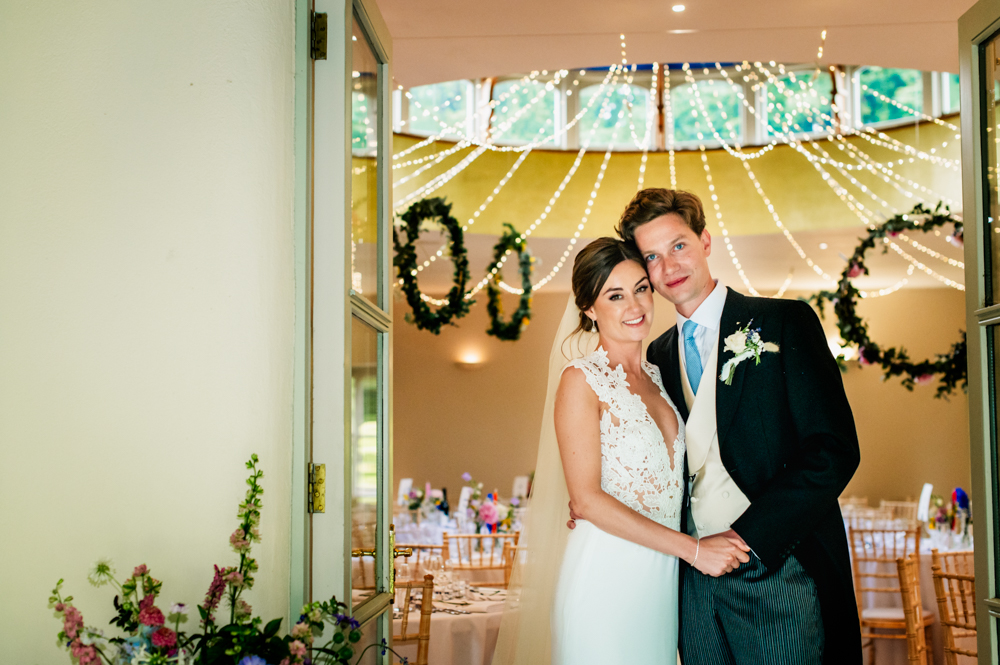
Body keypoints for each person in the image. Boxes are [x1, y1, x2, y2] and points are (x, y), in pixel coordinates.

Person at [581, 188, 861, 665]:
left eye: (679, 245)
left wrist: (748, 539)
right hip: (691, 581)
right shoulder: (657, 358)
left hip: (778, 567)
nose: (669, 266)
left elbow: (834, 450)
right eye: (652, 256)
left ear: (705, 241)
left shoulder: (783, 323)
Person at [550, 238, 749, 664]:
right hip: (605, 575)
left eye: (641, 288)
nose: (635, 305)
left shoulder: (663, 374)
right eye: (615, 295)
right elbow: (586, 499)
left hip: (662, 581)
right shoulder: (580, 381)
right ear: (588, 308)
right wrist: (695, 550)